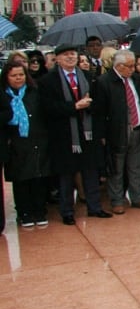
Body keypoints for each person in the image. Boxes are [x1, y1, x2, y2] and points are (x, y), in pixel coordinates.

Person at [38, 43, 111, 224]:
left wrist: (89, 104)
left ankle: (94, 207)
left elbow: (100, 104)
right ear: (58, 59)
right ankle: (67, 211)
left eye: (73, 54)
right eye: (66, 55)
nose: (70, 57)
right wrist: (74, 106)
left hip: (88, 133)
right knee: (66, 175)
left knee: (91, 172)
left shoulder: (88, 77)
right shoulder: (48, 81)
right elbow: (48, 108)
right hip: (64, 136)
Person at [93, 50, 140, 213]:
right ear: (118, 66)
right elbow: (99, 111)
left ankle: (137, 197)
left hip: (137, 129)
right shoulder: (104, 82)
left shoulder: (135, 80)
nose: (133, 69)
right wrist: (102, 135)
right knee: (116, 169)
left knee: (136, 167)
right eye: (129, 66)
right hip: (116, 132)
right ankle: (117, 200)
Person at [3, 60, 45, 228]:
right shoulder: (3, 94)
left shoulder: (34, 91)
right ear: (6, 77)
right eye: (13, 75)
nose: (18, 78)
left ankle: (39, 210)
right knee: (20, 179)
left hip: (36, 139)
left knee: (38, 176)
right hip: (14, 141)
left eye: (21, 74)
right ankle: (24, 212)